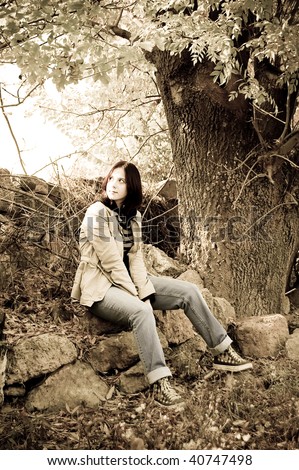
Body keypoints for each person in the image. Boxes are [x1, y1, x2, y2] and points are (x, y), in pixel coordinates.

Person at [71, 160, 252, 407]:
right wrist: (138, 296)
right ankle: (160, 383)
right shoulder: (96, 213)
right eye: (111, 178)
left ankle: (222, 351)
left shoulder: (132, 217)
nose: (113, 184)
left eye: (121, 180)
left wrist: (144, 288)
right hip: (101, 288)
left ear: (131, 187)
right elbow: (111, 262)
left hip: (129, 282)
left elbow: (134, 259)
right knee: (142, 310)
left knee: (189, 291)